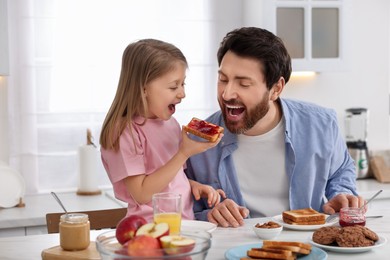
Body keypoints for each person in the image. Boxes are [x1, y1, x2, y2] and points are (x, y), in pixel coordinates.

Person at [185, 27, 365, 227]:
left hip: (307, 247)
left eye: (243, 84)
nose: (227, 94)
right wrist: (209, 215)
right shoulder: (197, 140)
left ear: (275, 89)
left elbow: (341, 169)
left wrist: (342, 193)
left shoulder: (321, 124)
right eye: (223, 79)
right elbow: (182, 208)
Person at [99, 39, 225, 222]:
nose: (182, 94)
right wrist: (183, 153)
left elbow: (168, 179)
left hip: (183, 227)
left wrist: (192, 186)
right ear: (144, 89)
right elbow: (142, 193)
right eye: (174, 86)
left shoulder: (171, 124)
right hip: (148, 229)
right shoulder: (125, 132)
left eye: (183, 84)